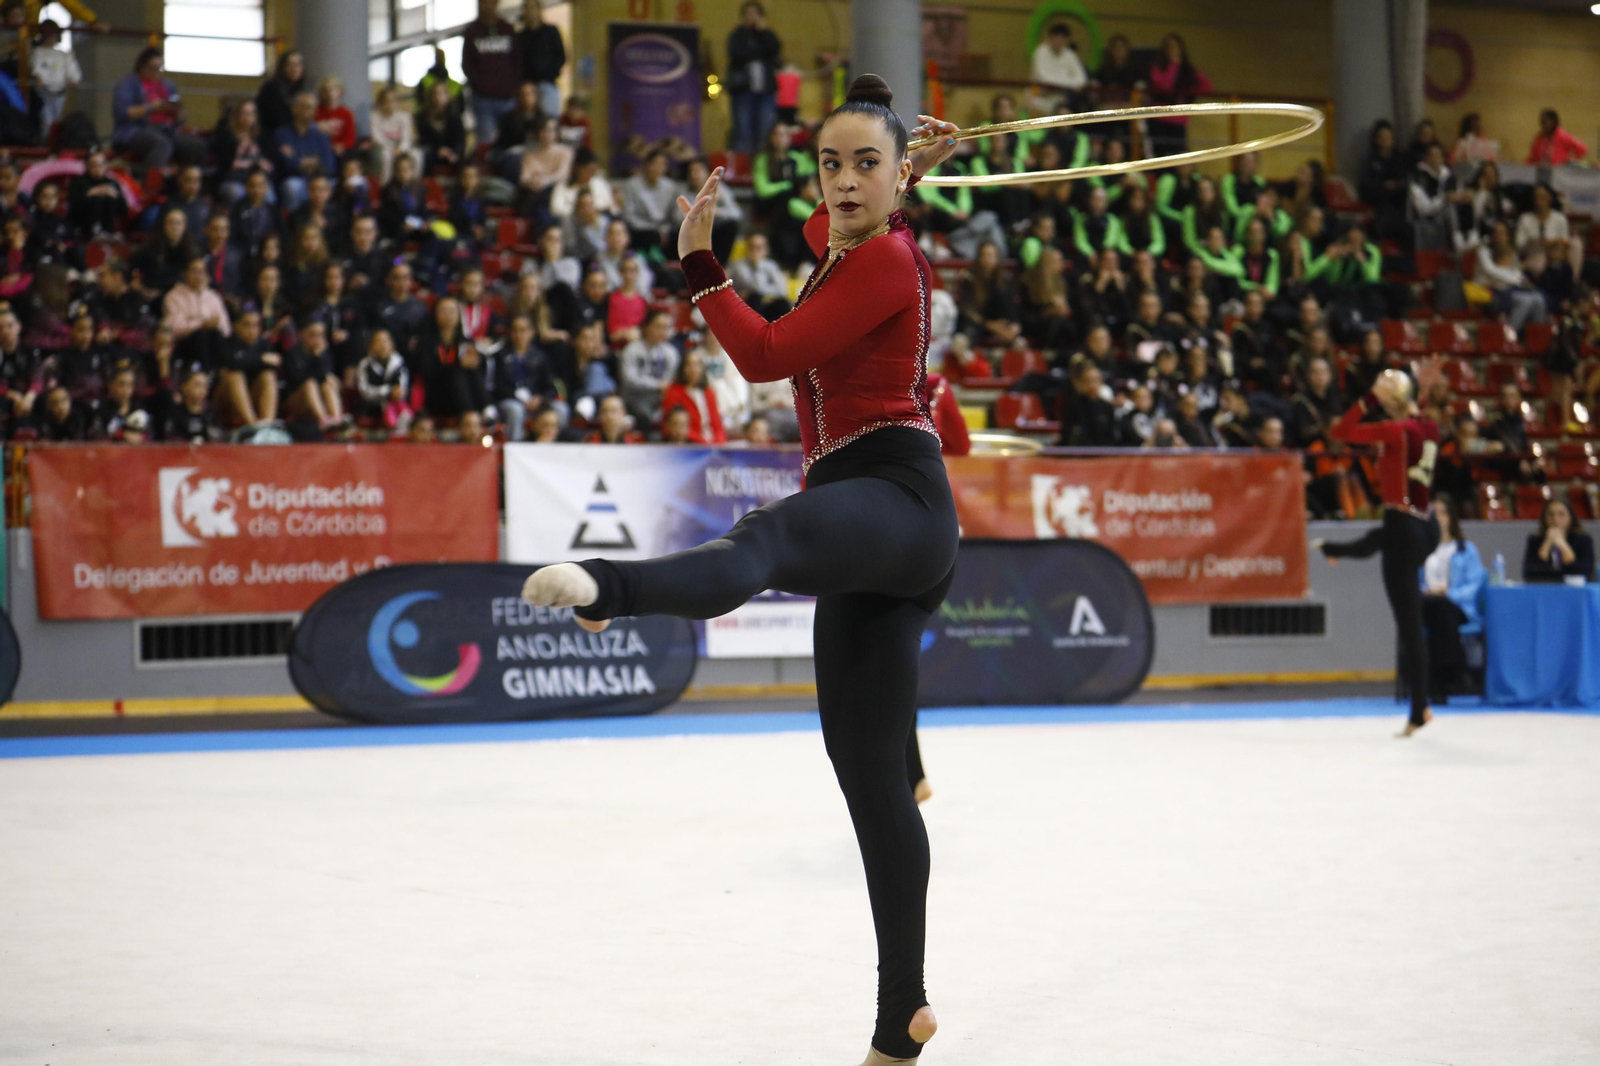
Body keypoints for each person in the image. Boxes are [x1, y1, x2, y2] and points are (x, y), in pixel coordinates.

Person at [520, 74, 957, 1066]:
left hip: (895, 492)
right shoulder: (855, 245)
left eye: (864, 165)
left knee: (760, 541)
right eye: (829, 164)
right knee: (871, 782)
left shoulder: (886, 259)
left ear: (895, 185)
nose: (841, 182)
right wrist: (901, 173)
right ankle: (905, 1014)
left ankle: (612, 590)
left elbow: (762, 357)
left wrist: (700, 265)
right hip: (871, 519)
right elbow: (823, 233)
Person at [1318, 360, 1445, 737]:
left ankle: (1420, 709)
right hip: (1427, 525)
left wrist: (1371, 397)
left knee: (1409, 624)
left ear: (1390, 400)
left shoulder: (1393, 430)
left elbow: (1341, 430)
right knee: (1378, 541)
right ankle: (1335, 549)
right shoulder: (1429, 426)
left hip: (1403, 523)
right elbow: (1415, 415)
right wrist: (1415, 391)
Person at [1417, 492, 1487, 703]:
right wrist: (1427, 591)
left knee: (1442, 608)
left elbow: (1474, 585)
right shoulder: (1420, 548)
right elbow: (1412, 581)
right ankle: (1455, 671)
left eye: (1443, 513)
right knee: (1437, 607)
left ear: (1452, 518)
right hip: (1426, 604)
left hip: (1457, 606)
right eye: (1434, 513)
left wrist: (1449, 593)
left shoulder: (1466, 550)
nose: (1439, 518)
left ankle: (1437, 682)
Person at [111, 47, 206, 171]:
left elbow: (180, 119)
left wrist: (178, 112)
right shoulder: (128, 84)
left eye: (160, 68)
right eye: (153, 68)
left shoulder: (168, 85)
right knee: (162, 145)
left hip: (166, 129)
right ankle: (151, 187)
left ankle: (188, 185)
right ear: (142, 66)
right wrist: (150, 108)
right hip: (136, 131)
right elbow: (121, 113)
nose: (157, 72)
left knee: (196, 146)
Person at [463, 0, 522, 149]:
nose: (487, 6)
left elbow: (518, 61)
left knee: (510, 140)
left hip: (508, 98)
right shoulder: (472, 31)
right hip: (483, 99)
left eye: (491, 3)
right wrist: (480, 86)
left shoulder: (507, 29)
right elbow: (466, 64)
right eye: (484, 3)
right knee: (486, 141)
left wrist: (512, 86)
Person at [725, 1, 780, 155]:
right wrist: (759, 53)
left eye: (755, 14)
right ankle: (742, 168)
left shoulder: (767, 34)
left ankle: (760, 165)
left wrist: (763, 32)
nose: (752, 17)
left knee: (764, 129)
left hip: (765, 91)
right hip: (743, 91)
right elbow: (737, 54)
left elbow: (775, 50)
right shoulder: (737, 35)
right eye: (748, 14)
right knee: (743, 130)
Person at [1145, 34, 1211, 156]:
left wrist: (1188, 93)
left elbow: (1207, 87)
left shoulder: (1188, 70)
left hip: (1179, 120)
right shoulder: (1157, 68)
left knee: (1178, 154)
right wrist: (1173, 65)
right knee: (1160, 156)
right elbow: (1166, 86)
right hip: (1159, 118)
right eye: (1170, 47)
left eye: (1176, 47)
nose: (1173, 50)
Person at [270, 91, 338, 212]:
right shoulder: (282, 134)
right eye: (306, 107)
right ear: (294, 109)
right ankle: (292, 224)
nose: (311, 112)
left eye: (313, 108)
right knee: (292, 186)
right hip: (295, 180)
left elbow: (328, 165)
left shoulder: (321, 135)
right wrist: (314, 162)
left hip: (318, 179)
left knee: (332, 184)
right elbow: (286, 165)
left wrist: (300, 161)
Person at [659, 346, 725, 444]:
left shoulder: (709, 393)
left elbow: (717, 425)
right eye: (689, 365)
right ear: (683, 368)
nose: (693, 369)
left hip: (712, 445)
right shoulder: (673, 392)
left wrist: (718, 442)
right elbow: (672, 425)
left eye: (697, 365)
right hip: (689, 445)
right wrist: (702, 442)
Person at [1523, 498, 1594, 584]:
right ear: (1544, 517)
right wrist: (1547, 542)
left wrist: (1562, 544)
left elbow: (1584, 571)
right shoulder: (1535, 540)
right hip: (1543, 590)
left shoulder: (1583, 540)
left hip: (1575, 591)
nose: (1555, 520)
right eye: (1551, 514)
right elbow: (1529, 572)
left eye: (1561, 514)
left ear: (1570, 516)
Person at [29, 18, 79, 139]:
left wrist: (74, 79)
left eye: (53, 34)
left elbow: (72, 70)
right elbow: (34, 68)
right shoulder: (36, 52)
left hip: (61, 94)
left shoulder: (64, 54)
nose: (51, 37)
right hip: (43, 94)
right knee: (47, 121)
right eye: (48, 34)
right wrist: (37, 78)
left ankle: (55, 146)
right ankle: (45, 145)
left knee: (59, 122)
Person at [519, 0, 566, 118]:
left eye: (533, 7)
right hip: (528, 85)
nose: (531, 11)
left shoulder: (551, 32)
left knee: (549, 120)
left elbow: (561, 56)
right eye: (527, 8)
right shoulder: (521, 36)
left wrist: (552, 73)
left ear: (539, 9)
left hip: (548, 82)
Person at [728, 231, 790, 320]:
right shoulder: (739, 266)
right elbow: (755, 287)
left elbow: (782, 291)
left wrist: (758, 264)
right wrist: (757, 266)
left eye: (759, 247)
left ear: (766, 249)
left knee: (782, 303)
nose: (755, 251)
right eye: (752, 247)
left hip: (765, 305)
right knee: (755, 298)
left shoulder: (771, 265)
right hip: (744, 307)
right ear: (747, 247)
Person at [1030, 22, 1087, 108]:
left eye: (1063, 38)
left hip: (1063, 97)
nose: (1059, 41)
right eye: (1057, 38)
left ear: (1067, 40)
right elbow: (1044, 78)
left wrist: (1061, 85)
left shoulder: (1069, 54)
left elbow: (1081, 79)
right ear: (1050, 37)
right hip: (1039, 95)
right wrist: (1069, 83)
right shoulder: (1040, 52)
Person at [370, 86, 419, 183]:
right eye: (386, 101)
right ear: (380, 103)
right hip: (384, 148)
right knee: (386, 156)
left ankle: (414, 184)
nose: (390, 104)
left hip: (401, 148)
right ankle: (386, 185)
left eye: (392, 101)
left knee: (417, 155)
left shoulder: (405, 117)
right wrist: (391, 149)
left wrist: (400, 149)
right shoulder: (374, 116)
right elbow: (376, 138)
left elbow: (406, 137)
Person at [256, 49, 306, 139]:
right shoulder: (271, 88)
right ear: (282, 67)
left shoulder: (304, 88)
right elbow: (272, 120)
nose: (294, 68)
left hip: (299, 134)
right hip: (275, 135)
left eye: (298, 65)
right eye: (290, 65)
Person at [313, 77, 357, 154]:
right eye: (325, 90)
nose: (328, 92)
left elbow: (351, 139)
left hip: (342, 151)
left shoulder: (346, 113)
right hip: (320, 150)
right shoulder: (315, 112)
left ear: (339, 91)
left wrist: (342, 146)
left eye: (332, 89)